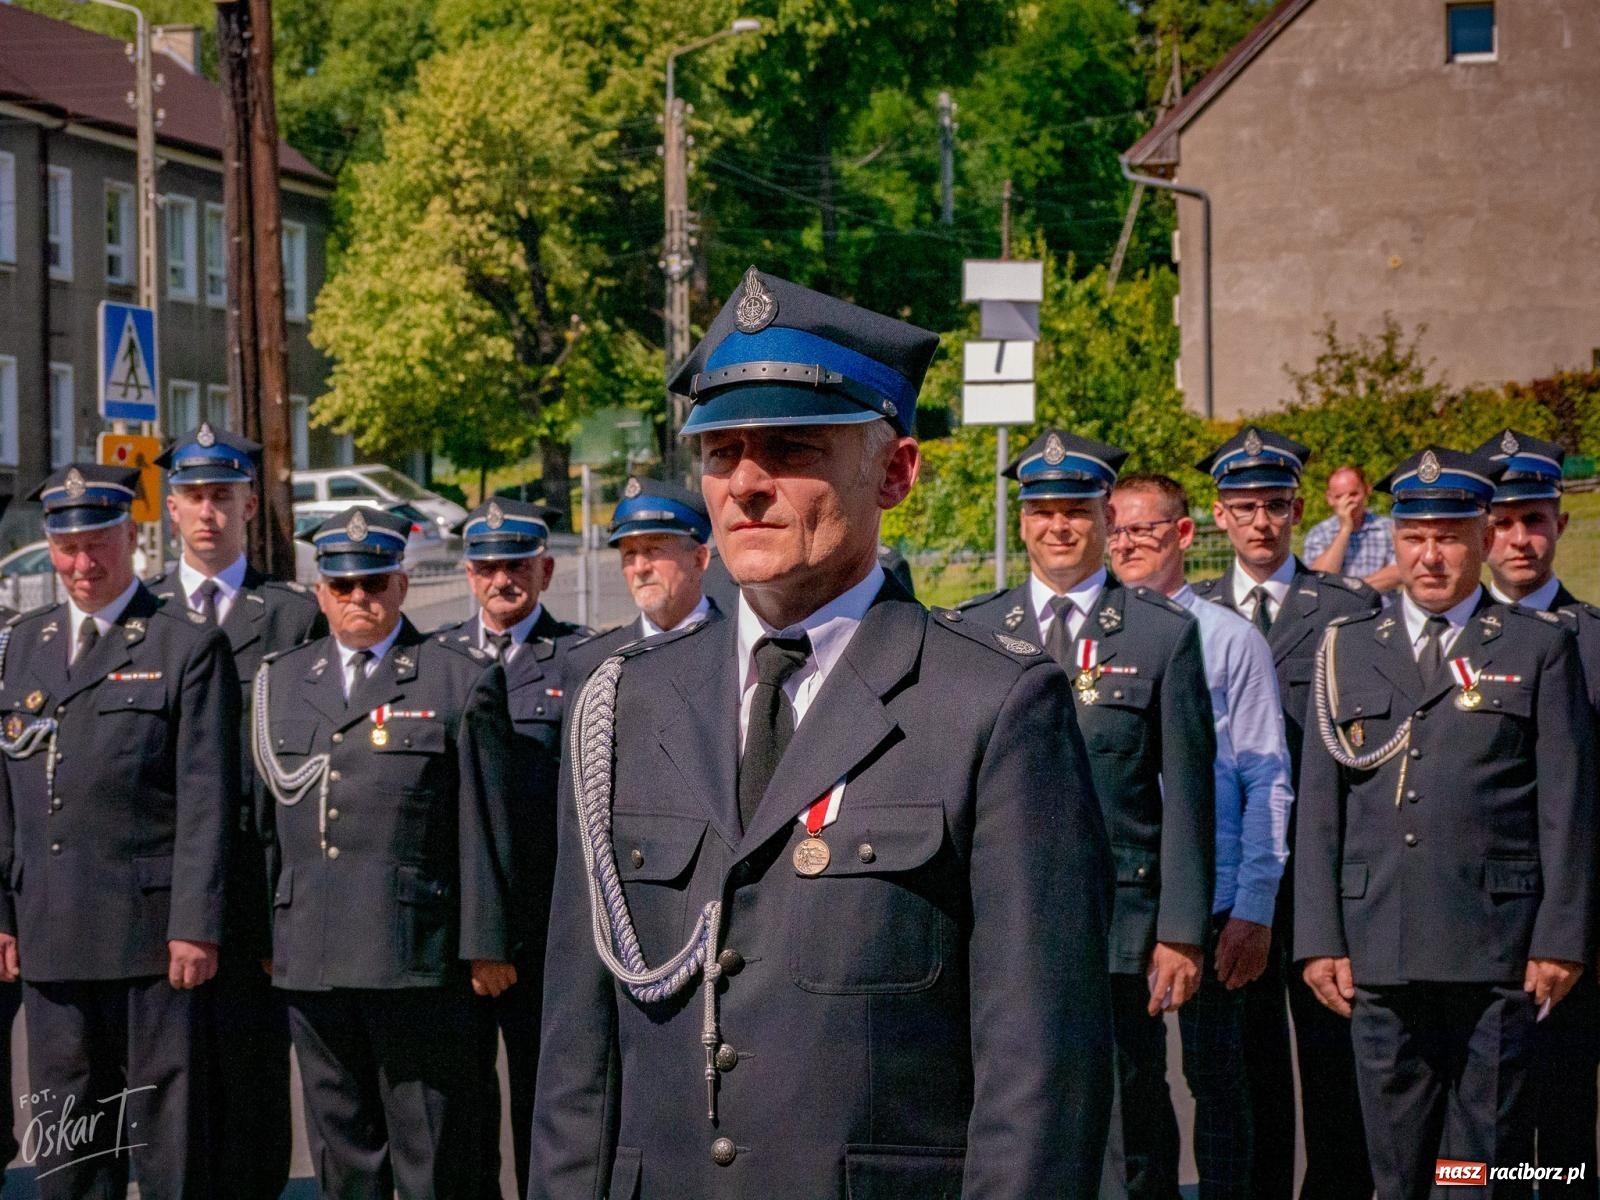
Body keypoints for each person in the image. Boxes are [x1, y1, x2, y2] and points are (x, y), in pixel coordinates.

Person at [531, 267, 1114, 1200]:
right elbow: (576, 1062)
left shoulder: (991, 709)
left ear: (895, 473)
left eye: (793, 448)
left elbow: (1041, 1077)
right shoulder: (621, 706)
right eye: (721, 452)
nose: (748, 484)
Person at [1296, 446, 1595, 1199]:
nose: (1430, 557)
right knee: (1396, 1168)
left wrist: (1561, 938)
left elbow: (1567, 807)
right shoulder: (1347, 648)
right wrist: (1319, 939)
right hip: (1379, 951)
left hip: (1496, 951)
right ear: (1395, 541)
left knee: (1476, 1169)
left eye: (1450, 536)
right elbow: (1321, 811)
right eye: (1413, 537)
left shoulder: (1539, 648)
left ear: (1484, 537)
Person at [961, 429, 1215, 1200]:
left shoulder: (1161, 635)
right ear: (1023, 519)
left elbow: (1191, 799)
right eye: (1041, 511)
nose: (1057, 527)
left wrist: (1181, 932)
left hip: (1123, 926)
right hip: (1003, 922)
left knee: (1132, 1113)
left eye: (1075, 510)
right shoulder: (975, 631)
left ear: (1105, 516)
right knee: (1019, 1106)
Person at [254, 505, 519, 1198]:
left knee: (435, 1154)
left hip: (417, 959)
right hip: (311, 955)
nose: (360, 600)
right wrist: (263, 932)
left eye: (374, 583)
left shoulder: (457, 677)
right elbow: (260, 826)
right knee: (343, 1154)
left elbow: (487, 825)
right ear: (320, 593)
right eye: (343, 587)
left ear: (402, 584)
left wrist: (488, 946)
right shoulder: (281, 681)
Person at [0, 464, 240, 1197]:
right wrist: (3, 915)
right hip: (49, 931)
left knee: (166, 1139)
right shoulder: (23, 644)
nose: (81, 563)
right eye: (66, 546)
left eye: (98, 542)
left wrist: (196, 925)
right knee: (67, 1140)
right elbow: (6, 798)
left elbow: (208, 799)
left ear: (132, 537)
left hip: (150, 939)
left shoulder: (183, 645)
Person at [1192, 426, 1381, 1200]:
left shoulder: (1344, 607)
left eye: (1275, 506)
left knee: (1335, 1061)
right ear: (1218, 515)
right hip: (1234, 873)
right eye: (1245, 507)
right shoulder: (1191, 614)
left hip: (1321, 873)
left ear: (1299, 510)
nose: (1261, 521)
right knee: (1247, 1062)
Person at [147, 422, 322, 1200]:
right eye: (194, 497)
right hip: (161, 888)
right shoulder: (142, 615)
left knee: (254, 1084)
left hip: (257, 882)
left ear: (251, 504)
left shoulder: (290, 616)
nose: (209, 512)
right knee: (170, 1090)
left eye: (224, 496)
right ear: (172, 510)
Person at [1111, 472, 1294, 1200]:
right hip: (1128, 903)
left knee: (1219, 1086)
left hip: (1215, 903)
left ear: (1183, 535)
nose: (1126, 544)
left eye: (1144, 530)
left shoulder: (1227, 639)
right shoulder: (1098, 638)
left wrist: (1254, 905)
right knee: (1133, 1087)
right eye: (1115, 529)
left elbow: (1265, 779)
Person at [429, 496, 589, 1199]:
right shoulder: (434, 662)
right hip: (460, 922)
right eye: (488, 567)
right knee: (460, 1108)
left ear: (545, 569)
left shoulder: (582, 658)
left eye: (517, 566)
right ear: (467, 575)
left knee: (547, 1101)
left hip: (548, 918)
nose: (502, 580)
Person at [1476, 428, 1599, 1194]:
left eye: (1535, 519)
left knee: (1562, 1126)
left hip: (1571, 923)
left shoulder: (1593, 640)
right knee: (1477, 1125)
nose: (1520, 538)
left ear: (1561, 523)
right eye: (1503, 521)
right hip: (1472, 920)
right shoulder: (1441, 642)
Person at [562, 475, 721, 695]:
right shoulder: (591, 662)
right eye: (629, 554)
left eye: (654, 550)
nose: (640, 567)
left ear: (699, 559)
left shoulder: (739, 647)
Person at [1303, 465, 1400, 592]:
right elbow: (1318, 579)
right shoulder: (1319, 533)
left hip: (1381, 609)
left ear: (1367, 490)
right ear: (1330, 499)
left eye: (1353, 494)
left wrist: (1355, 592)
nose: (1347, 502)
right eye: (1339, 497)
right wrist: (1345, 529)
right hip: (1336, 610)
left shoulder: (1388, 528)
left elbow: (1401, 571)